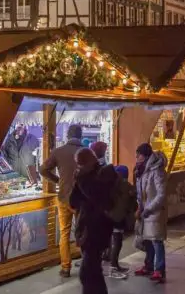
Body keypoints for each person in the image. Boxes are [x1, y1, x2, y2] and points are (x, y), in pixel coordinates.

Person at [70, 147, 117, 294]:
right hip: (93, 228)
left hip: (95, 229)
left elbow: (95, 197)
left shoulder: (99, 176)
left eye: (80, 163)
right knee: (93, 270)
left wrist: (80, 179)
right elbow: (73, 201)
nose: (79, 167)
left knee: (88, 272)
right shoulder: (91, 175)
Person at [40, 123, 84, 277]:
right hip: (81, 200)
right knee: (84, 231)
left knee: (64, 233)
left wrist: (57, 180)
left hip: (63, 198)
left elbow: (42, 169)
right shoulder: (86, 152)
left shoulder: (58, 151)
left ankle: (65, 267)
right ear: (81, 135)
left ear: (67, 136)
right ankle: (86, 263)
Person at [134, 143, 168, 282]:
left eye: (139, 154)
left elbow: (161, 194)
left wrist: (149, 208)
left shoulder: (157, 171)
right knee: (147, 239)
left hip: (155, 211)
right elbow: (140, 191)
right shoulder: (142, 170)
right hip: (145, 210)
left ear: (146, 155)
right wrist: (140, 207)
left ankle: (159, 269)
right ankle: (148, 265)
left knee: (156, 240)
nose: (136, 157)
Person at [106, 164, 137, 279]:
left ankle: (114, 264)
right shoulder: (126, 186)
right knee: (117, 242)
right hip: (118, 218)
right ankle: (113, 266)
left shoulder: (111, 185)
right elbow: (133, 204)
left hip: (110, 217)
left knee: (114, 241)